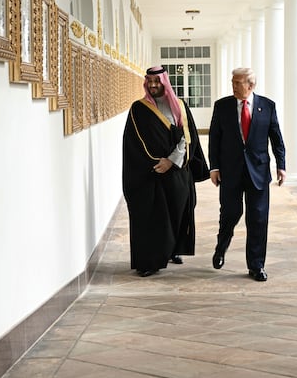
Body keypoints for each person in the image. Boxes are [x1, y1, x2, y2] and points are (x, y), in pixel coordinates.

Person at [122, 66, 209, 277]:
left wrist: (171, 161)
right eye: (149, 81)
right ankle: (150, 262)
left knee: (178, 211)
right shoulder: (138, 109)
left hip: (176, 170)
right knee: (153, 216)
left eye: (157, 81)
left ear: (164, 82)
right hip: (151, 173)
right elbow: (134, 143)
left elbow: (188, 138)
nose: (152, 85)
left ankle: (173, 250)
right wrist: (156, 162)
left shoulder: (179, 106)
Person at [209, 67, 286, 282]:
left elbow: (276, 138)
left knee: (258, 220)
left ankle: (256, 266)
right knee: (230, 214)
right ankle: (221, 247)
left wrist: (281, 165)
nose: (233, 86)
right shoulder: (222, 106)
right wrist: (214, 167)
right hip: (230, 172)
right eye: (232, 82)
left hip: (258, 172)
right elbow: (215, 138)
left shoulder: (267, 106)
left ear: (251, 85)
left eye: (237, 83)